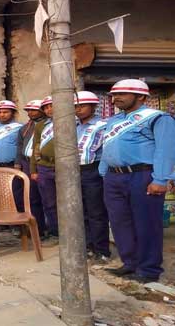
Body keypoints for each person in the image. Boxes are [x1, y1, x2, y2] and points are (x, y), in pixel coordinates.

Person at [99, 79, 175, 283]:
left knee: (147, 224)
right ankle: (130, 263)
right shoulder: (113, 121)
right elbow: (107, 148)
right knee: (119, 222)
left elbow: (166, 150)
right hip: (114, 177)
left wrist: (161, 179)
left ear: (141, 97)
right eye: (114, 95)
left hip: (142, 175)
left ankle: (149, 270)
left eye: (122, 94)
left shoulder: (159, 118)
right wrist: (104, 173)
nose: (116, 98)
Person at [74, 91, 110, 263]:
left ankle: (102, 250)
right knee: (80, 211)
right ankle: (88, 245)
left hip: (93, 170)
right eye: (75, 106)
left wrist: (102, 173)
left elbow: (106, 151)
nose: (78, 109)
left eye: (82, 106)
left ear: (94, 107)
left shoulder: (103, 125)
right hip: (74, 172)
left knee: (96, 211)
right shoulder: (73, 126)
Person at [13, 100, 47, 238]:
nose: (30, 113)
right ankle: (34, 229)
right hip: (26, 164)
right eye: (28, 110)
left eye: (34, 110)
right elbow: (20, 147)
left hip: (42, 164)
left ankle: (48, 229)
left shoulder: (47, 125)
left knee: (45, 198)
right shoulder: (25, 128)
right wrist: (17, 164)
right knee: (30, 197)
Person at [30, 96, 59, 240]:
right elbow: (36, 147)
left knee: (69, 201)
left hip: (64, 167)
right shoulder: (41, 125)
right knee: (49, 202)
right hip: (44, 167)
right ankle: (55, 232)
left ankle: (71, 232)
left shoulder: (74, 122)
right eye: (46, 107)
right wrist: (34, 169)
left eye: (51, 106)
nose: (49, 109)